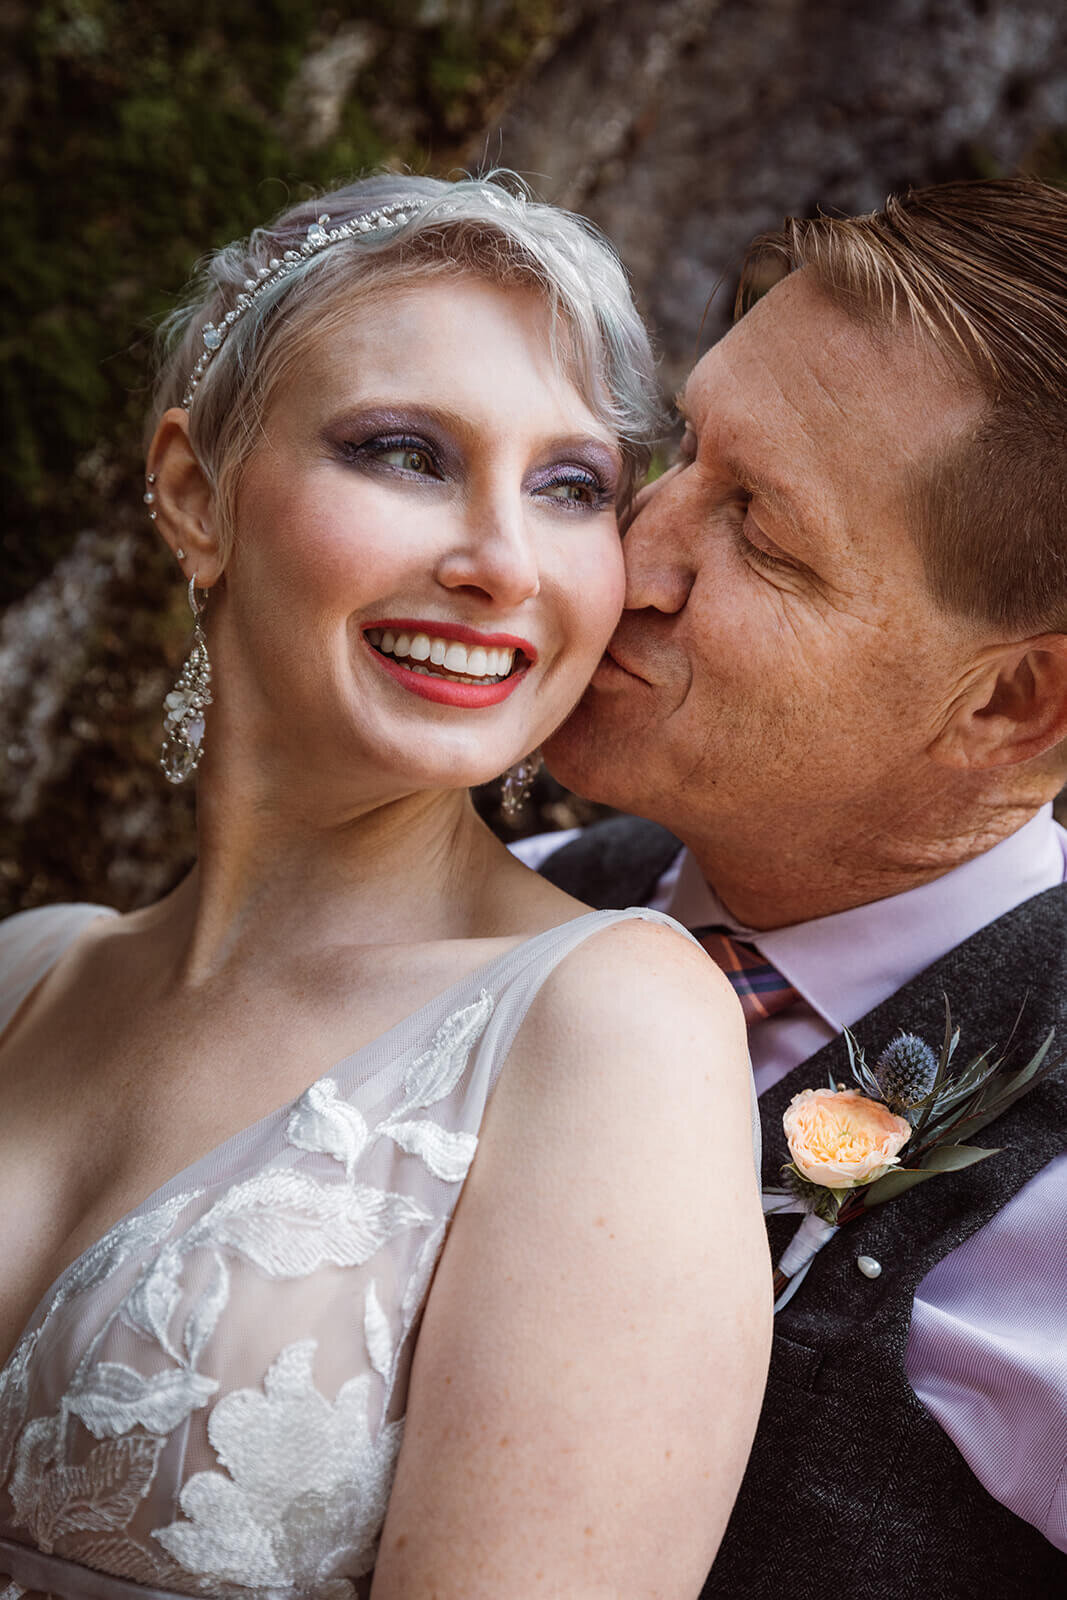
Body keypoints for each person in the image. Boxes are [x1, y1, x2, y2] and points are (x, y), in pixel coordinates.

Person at [0, 176, 770, 1600]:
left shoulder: (613, 1025)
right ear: (191, 491)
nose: (497, 561)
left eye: (571, 488)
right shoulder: (26, 971)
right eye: (407, 454)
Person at [530, 178, 1067, 1598]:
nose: (626, 556)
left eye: (761, 531)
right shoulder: (510, 896)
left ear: (1014, 704)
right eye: (685, 450)